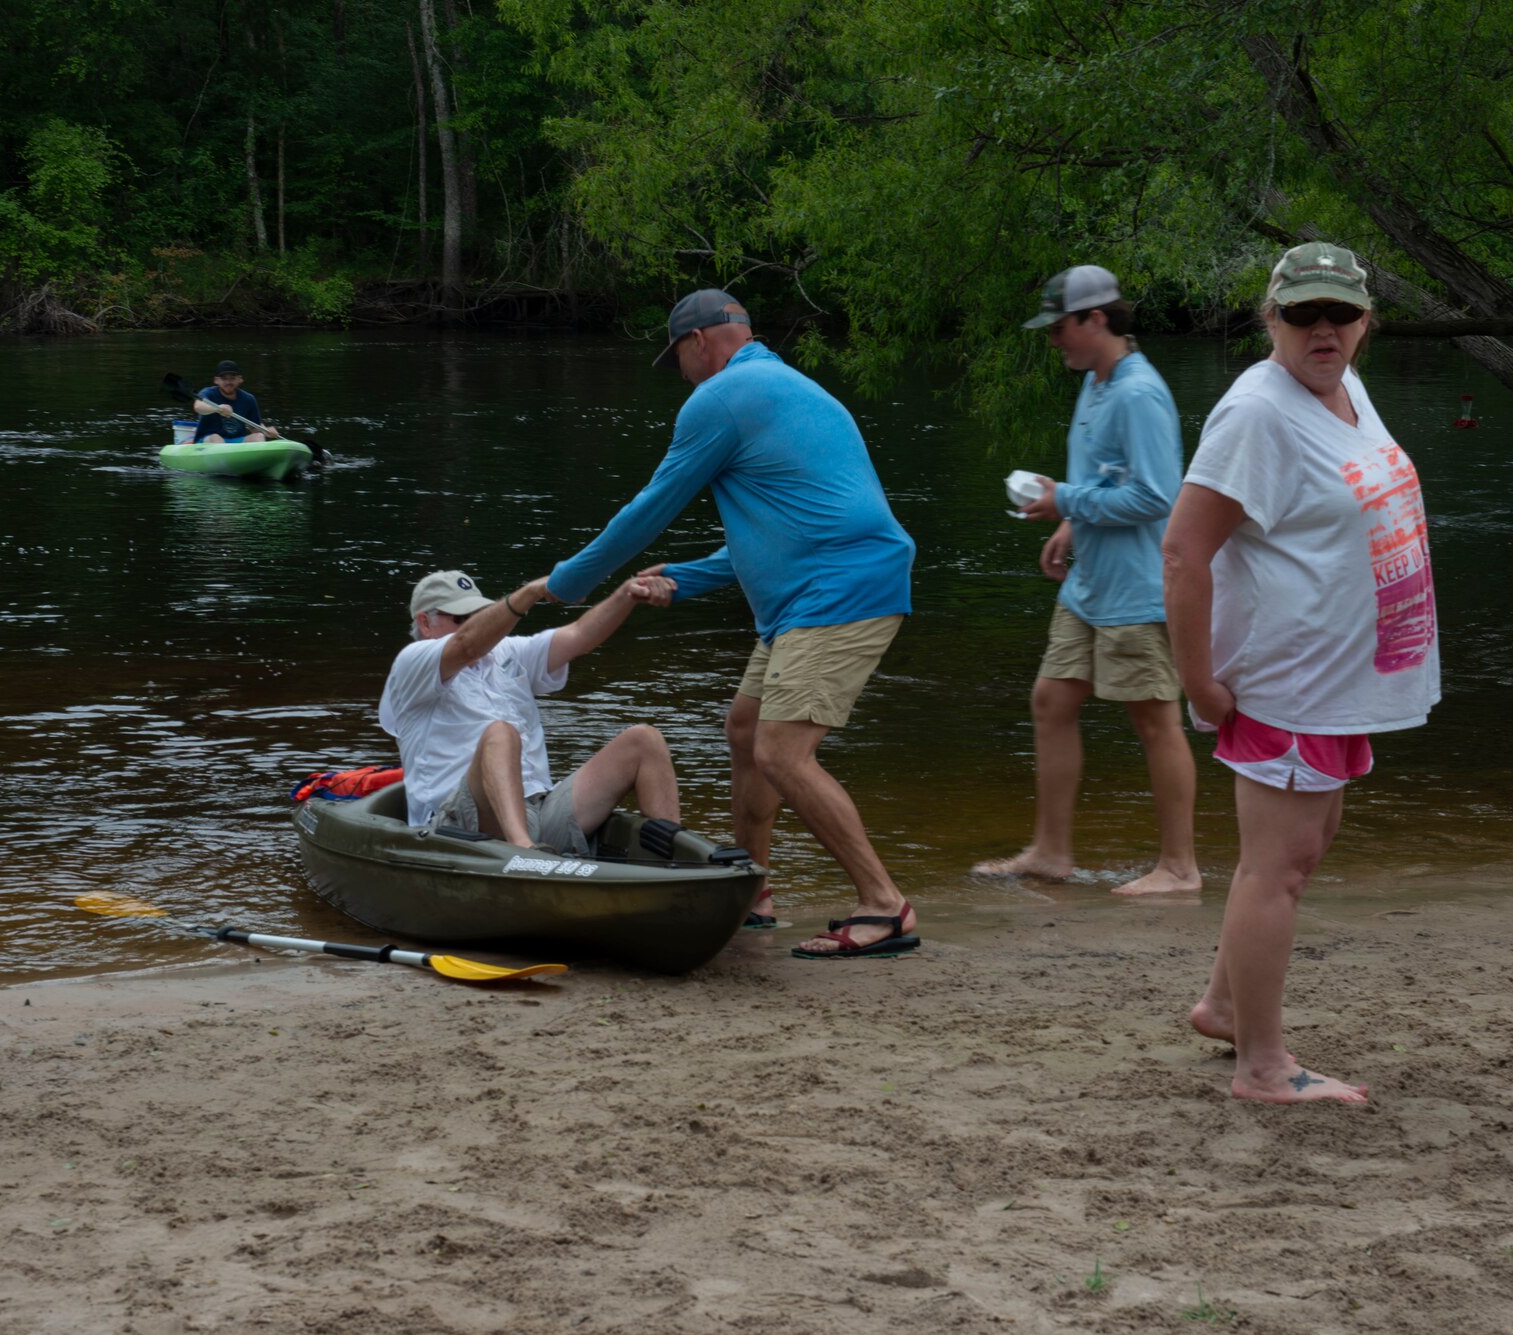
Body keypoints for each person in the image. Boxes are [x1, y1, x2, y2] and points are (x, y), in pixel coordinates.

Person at [544, 290, 920, 959]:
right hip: (819, 588)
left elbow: (650, 508)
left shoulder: (720, 398)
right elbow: (785, 528)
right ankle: (752, 889)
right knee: (746, 727)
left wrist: (570, 581)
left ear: (700, 342)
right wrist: (682, 580)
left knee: (781, 751)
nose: (680, 376)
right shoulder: (785, 387)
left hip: (840, 589)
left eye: (678, 360)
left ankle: (885, 906)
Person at [1162, 242, 1439, 1105]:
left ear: (1366, 320)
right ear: (1269, 318)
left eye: (1341, 314)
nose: (1324, 329)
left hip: (1338, 677)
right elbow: (1182, 551)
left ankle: (1221, 1004)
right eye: (1302, 315)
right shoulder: (1257, 414)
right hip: (1289, 679)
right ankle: (1262, 1066)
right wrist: (1198, 682)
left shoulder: (1342, 385)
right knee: (1273, 869)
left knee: (1302, 851)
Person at [974, 264, 1201, 895]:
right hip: (1090, 583)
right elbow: (1110, 478)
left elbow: (1159, 496)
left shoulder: (1137, 392)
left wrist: (1067, 502)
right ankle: (1051, 853)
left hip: (1134, 589)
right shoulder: (1098, 382)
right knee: (1051, 700)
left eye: (1060, 328)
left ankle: (1180, 869)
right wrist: (1069, 524)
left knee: (1154, 719)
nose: (1053, 340)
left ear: (1097, 319)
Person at [380, 568, 680, 853]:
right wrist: (532, 592)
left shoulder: (505, 652)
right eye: (463, 617)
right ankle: (523, 851)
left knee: (643, 740)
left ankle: (676, 853)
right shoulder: (413, 661)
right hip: (456, 825)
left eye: (480, 614)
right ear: (425, 623)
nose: (476, 622)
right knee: (500, 732)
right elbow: (466, 645)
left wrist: (627, 594)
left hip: (537, 808)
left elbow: (579, 635)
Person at [193, 359, 279, 443]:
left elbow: (254, 426)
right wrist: (218, 409)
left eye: (232, 378)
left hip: (236, 441)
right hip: (207, 439)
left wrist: (266, 431)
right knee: (216, 438)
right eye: (224, 378)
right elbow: (198, 407)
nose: (228, 382)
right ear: (216, 380)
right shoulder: (207, 393)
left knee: (259, 436)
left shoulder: (249, 399)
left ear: (240, 379)